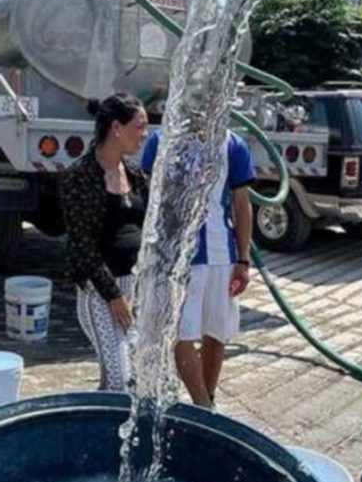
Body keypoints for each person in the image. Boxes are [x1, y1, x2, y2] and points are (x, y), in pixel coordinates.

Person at [142, 128, 255, 407]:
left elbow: (242, 204)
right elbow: (150, 198)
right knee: (182, 334)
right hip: (178, 257)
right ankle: (204, 406)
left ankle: (208, 399)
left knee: (217, 332)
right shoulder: (163, 138)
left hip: (221, 255)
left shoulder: (232, 144)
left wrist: (243, 258)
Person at [60, 94, 149, 390]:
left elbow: (150, 226)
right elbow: (81, 244)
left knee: (126, 378)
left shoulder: (134, 175)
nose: (145, 134)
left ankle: (100, 428)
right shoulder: (80, 176)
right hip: (100, 293)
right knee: (119, 380)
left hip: (132, 288)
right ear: (116, 128)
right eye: (140, 126)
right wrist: (113, 295)